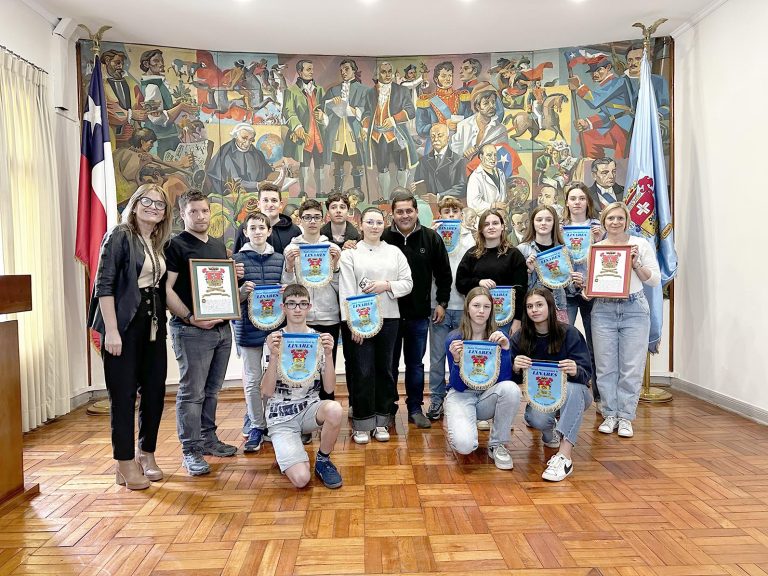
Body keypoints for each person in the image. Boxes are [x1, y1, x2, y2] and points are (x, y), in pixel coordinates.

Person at [88, 184, 172, 490]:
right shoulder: (120, 235)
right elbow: (104, 285)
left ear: (165, 214)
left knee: (154, 392)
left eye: (159, 204)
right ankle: (123, 464)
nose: (152, 207)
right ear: (135, 205)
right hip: (123, 324)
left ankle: (145, 453)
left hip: (152, 324)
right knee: (122, 396)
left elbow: (160, 287)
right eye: (146, 201)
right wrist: (111, 330)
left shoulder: (157, 242)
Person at [165, 190, 244, 476]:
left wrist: (234, 281)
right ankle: (191, 450)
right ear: (183, 215)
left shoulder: (217, 245)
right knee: (191, 392)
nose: (200, 216)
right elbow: (166, 290)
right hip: (191, 331)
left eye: (204, 211)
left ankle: (209, 439)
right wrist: (189, 317)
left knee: (212, 390)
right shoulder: (175, 245)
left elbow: (220, 289)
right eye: (193, 212)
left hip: (222, 329)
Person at [339, 207, 413, 444]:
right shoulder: (350, 254)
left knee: (385, 369)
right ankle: (362, 422)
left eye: (378, 222)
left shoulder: (394, 253)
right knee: (362, 370)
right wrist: (354, 325)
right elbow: (347, 290)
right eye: (369, 222)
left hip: (389, 318)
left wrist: (387, 285)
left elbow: (407, 283)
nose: (374, 226)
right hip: (359, 321)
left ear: (385, 224)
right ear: (360, 224)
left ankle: (382, 421)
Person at [261, 284, 344, 489]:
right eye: (292, 304)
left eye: (302, 304)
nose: (297, 309)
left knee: (334, 409)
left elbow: (330, 388)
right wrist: (273, 356)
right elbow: (266, 391)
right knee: (301, 479)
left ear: (309, 307)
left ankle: (323, 460)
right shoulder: (274, 340)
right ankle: (288, 450)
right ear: (284, 307)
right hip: (280, 416)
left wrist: (328, 355)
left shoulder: (318, 339)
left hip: (309, 409)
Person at [382, 191, 452, 429]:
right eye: (399, 211)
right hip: (387, 315)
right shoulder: (382, 238)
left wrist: (442, 302)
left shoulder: (431, 238)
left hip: (419, 315)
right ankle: (388, 408)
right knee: (389, 364)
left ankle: (414, 408)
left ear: (416, 212)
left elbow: (444, 274)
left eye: (409, 211)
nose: (404, 215)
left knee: (415, 364)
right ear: (392, 214)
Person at [592, 202, 660, 438]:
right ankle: (610, 414)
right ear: (604, 221)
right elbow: (592, 285)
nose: (615, 222)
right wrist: (587, 287)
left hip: (634, 308)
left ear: (627, 221)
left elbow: (653, 279)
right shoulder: (596, 248)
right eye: (610, 218)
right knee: (605, 366)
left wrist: (636, 264)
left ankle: (626, 417)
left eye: (620, 218)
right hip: (603, 310)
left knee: (631, 367)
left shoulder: (640, 244)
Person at [510, 288, 592, 481]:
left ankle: (564, 456)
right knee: (538, 419)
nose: (534, 310)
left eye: (539, 305)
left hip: (574, 396)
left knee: (573, 387)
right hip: (541, 399)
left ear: (550, 307)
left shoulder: (570, 333)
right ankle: (550, 432)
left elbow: (586, 375)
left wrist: (575, 370)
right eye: (530, 306)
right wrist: (514, 368)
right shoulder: (520, 337)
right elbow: (510, 382)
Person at [444, 287, 521, 470]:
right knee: (465, 446)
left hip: (488, 394)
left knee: (511, 389)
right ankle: (460, 420)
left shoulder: (497, 336)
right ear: (467, 308)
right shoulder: (454, 338)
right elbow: (457, 385)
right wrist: (456, 361)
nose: (481, 311)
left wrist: (506, 350)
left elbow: (504, 380)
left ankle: (498, 445)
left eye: (486, 307)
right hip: (462, 394)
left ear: (492, 310)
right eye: (476, 305)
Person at [233, 212, 285, 453]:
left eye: (261, 227)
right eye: (252, 227)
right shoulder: (236, 261)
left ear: (269, 230)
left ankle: (275, 422)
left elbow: (290, 290)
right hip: (247, 327)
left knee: (276, 376)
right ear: (245, 232)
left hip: (276, 326)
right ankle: (256, 425)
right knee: (253, 378)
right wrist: (242, 291)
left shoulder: (279, 258)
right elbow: (229, 301)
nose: (257, 231)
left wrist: (285, 290)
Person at [282, 200, 343, 402]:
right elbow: (287, 288)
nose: (312, 221)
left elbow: (338, 287)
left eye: (316, 217)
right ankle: (303, 417)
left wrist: (334, 266)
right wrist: (290, 266)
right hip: (302, 319)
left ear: (323, 219)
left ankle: (327, 414)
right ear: (300, 219)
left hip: (328, 317)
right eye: (307, 217)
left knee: (327, 367)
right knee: (303, 368)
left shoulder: (332, 248)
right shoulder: (292, 248)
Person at [427, 196, 475, 421]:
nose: (451, 216)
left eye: (455, 211)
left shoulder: (471, 238)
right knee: (437, 357)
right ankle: (436, 399)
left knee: (463, 355)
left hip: (464, 306)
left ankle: (462, 396)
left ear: (461, 214)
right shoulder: (432, 235)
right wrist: (431, 235)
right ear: (440, 214)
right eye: (446, 212)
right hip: (439, 305)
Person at [456, 208, 528, 337]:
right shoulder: (472, 254)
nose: (491, 227)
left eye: (495, 223)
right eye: (486, 224)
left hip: (506, 319)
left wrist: (518, 320)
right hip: (477, 320)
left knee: (505, 354)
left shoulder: (514, 255)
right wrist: (478, 282)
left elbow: (521, 290)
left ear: (502, 227)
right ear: (481, 229)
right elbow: (460, 283)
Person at [561, 182, 602, 398]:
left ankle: (599, 396)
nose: (577, 202)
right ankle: (561, 395)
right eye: (573, 198)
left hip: (592, 292)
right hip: (565, 291)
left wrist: (599, 239)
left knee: (595, 344)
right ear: (566, 203)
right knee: (562, 341)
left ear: (588, 201)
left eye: (581, 198)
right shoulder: (559, 228)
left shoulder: (598, 227)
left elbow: (607, 259)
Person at [517, 205, 579, 323]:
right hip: (533, 310)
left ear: (554, 223)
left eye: (548, 220)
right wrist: (530, 272)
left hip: (558, 307)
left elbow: (569, 288)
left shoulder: (564, 251)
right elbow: (519, 288)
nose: (543, 223)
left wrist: (576, 284)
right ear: (533, 223)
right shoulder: (522, 250)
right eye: (539, 220)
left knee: (560, 341)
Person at [233, 182, 301, 254]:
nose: (270, 204)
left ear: (281, 204)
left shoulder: (294, 230)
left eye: (274, 200)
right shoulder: (245, 228)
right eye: (265, 200)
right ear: (258, 204)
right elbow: (236, 259)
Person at [466, 143, 505, 214]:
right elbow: (473, 203)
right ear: (481, 157)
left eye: (495, 155)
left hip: (500, 217)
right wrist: (493, 205)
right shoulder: (475, 177)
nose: (493, 158)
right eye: (489, 155)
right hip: (483, 219)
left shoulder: (501, 173)